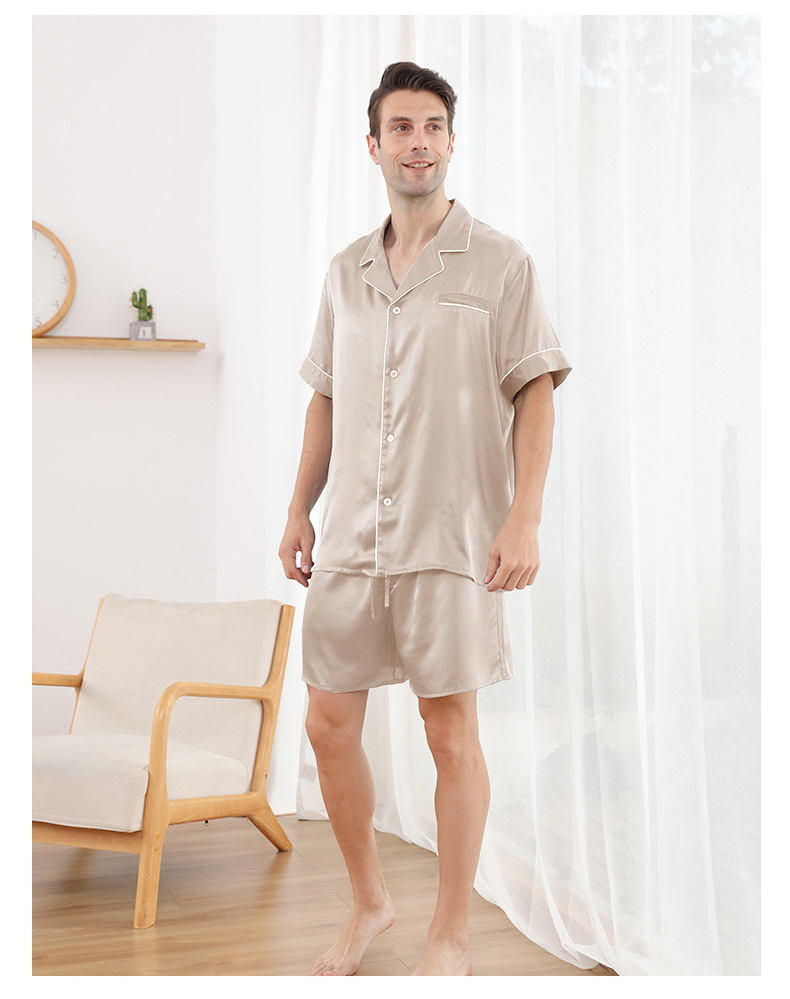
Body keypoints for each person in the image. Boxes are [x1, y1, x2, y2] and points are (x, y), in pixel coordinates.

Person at [279, 61, 571, 977]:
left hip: (452, 535)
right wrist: (298, 507)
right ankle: (370, 901)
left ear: (451, 141)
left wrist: (525, 517)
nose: (419, 142)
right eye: (402, 127)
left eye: (433, 127)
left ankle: (450, 935)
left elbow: (535, 393)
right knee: (328, 723)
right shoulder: (345, 273)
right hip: (352, 538)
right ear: (373, 146)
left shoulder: (502, 262)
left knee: (450, 733)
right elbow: (325, 397)